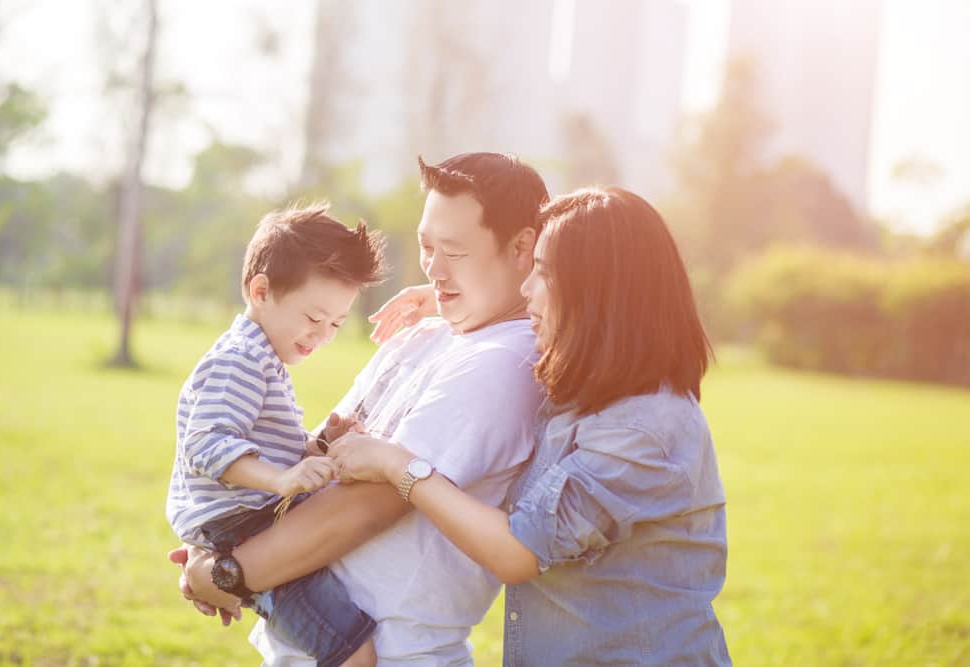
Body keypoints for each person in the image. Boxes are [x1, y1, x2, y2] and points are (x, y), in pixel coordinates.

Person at [172, 152, 552, 666]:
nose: (433, 269)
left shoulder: (502, 362)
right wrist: (216, 541)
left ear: (522, 247)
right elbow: (318, 470)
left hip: (393, 653)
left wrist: (227, 574)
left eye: (454, 252)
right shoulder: (425, 334)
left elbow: (368, 505)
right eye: (425, 247)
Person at [330, 186, 732, 665]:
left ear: (596, 291)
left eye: (542, 273)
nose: (526, 289)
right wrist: (448, 299)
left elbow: (519, 552)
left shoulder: (645, 428)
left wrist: (401, 468)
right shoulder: (586, 386)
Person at [166, 203, 386, 667]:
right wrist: (282, 481)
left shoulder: (263, 354)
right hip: (246, 528)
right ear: (260, 290)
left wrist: (318, 444)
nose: (322, 335)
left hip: (249, 523)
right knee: (353, 654)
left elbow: (265, 443)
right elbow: (207, 445)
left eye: (336, 325)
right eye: (313, 318)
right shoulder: (242, 358)